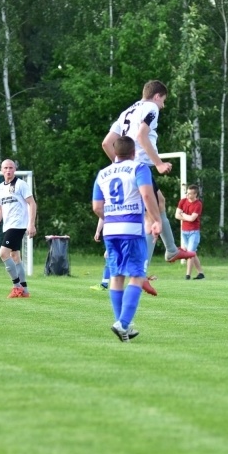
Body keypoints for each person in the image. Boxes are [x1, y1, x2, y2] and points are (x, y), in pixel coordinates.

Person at [101, 80, 195, 271]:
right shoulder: (151, 107)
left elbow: (106, 143)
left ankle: (170, 250)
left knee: (158, 203)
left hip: (129, 165)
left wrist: (118, 165)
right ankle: (142, 269)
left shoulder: (127, 111)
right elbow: (142, 137)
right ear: (157, 96)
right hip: (139, 165)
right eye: (164, 100)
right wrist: (159, 164)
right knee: (152, 216)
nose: (163, 105)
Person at [93, 135, 162, 342]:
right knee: (137, 275)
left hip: (111, 229)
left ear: (115, 153)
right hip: (132, 228)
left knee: (116, 276)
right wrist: (156, 219)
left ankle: (125, 326)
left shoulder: (103, 173)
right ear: (134, 153)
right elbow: (148, 196)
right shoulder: (139, 168)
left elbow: (97, 207)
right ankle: (122, 323)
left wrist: (112, 217)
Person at [0, 159, 37, 297]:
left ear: (15, 169)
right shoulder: (0, 188)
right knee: (15, 257)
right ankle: (25, 290)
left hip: (18, 225)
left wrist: (31, 224)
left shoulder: (21, 184)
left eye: (11, 167)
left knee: (3, 253)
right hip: (8, 225)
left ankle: (16, 286)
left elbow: (32, 204)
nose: (8, 170)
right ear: (1, 170)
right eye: (5, 168)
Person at [176, 184, 204, 280]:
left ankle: (187, 275)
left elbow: (192, 218)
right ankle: (201, 273)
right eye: (187, 193)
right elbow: (176, 215)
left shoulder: (198, 204)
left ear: (195, 194)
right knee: (192, 253)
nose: (187, 195)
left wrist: (183, 214)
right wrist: (186, 216)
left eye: (190, 194)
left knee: (190, 253)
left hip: (194, 232)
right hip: (184, 231)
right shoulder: (183, 201)